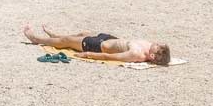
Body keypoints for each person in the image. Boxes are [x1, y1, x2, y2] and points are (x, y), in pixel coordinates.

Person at [23, 25, 170, 65]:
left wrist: (87, 54)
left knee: (65, 42)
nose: (156, 44)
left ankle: (36, 39)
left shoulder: (136, 54)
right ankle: (56, 35)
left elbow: (111, 57)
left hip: (98, 46)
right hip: (108, 39)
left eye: (158, 47)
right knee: (83, 33)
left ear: (151, 56)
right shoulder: (148, 46)